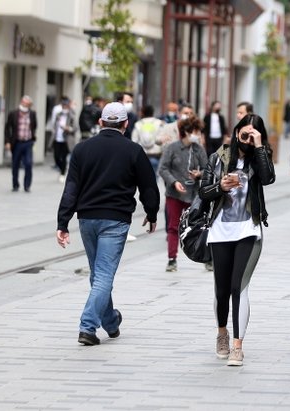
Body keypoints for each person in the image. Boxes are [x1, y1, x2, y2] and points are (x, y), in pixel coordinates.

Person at [56, 102, 160, 346]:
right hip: (115, 220)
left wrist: (63, 222)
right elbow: (148, 186)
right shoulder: (133, 151)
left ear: (101, 123)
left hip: (87, 219)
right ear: (126, 124)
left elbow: (71, 188)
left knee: (98, 275)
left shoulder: (82, 149)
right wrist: (152, 213)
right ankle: (87, 327)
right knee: (103, 276)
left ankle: (111, 322)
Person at [199, 113, 275, 367]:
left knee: (237, 286)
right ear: (236, 131)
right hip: (220, 229)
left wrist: (259, 146)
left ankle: (237, 346)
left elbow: (268, 178)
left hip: (248, 229)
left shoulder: (260, 157)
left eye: (253, 133)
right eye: (244, 132)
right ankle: (222, 334)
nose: (247, 137)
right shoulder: (218, 157)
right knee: (221, 290)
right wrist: (220, 186)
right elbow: (203, 193)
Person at [158, 116, 208, 272]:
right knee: (173, 227)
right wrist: (174, 182)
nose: (198, 135)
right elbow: (163, 168)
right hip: (174, 194)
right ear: (186, 132)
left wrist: (199, 174)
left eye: (199, 132)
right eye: (196, 132)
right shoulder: (172, 148)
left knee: (202, 226)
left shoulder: (199, 149)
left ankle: (207, 257)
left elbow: (208, 170)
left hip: (193, 194)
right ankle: (172, 259)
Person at [5, 96, 38, 192]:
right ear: (21, 102)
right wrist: (7, 141)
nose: (25, 105)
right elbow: (7, 128)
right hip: (17, 143)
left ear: (29, 105)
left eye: (27, 104)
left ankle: (27, 185)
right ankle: (15, 184)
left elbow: (35, 126)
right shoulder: (13, 114)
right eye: (24, 103)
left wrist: (32, 138)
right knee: (15, 164)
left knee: (28, 163)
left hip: (28, 142)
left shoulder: (32, 114)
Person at [132, 105, 165, 177]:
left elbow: (134, 140)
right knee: (154, 178)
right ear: (153, 112)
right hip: (155, 155)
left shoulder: (138, 124)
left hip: (141, 155)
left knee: (142, 178)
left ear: (143, 113)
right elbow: (162, 139)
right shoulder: (159, 123)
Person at [51, 98, 77, 182]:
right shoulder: (58, 114)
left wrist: (67, 128)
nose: (64, 107)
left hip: (66, 140)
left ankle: (62, 173)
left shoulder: (72, 115)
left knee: (64, 156)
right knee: (56, 156)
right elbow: (54, 125)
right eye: (63, 106)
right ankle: (62, 168)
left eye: (66, 106)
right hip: (57, 138)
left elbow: (75, 128)